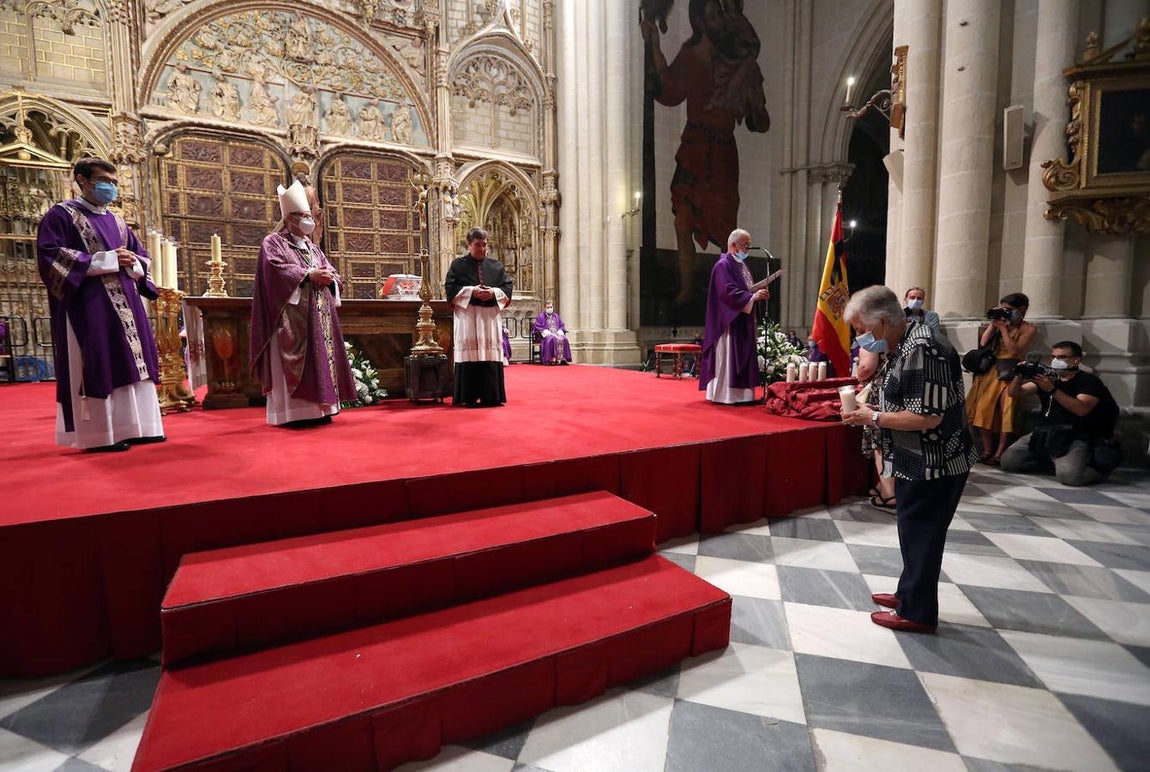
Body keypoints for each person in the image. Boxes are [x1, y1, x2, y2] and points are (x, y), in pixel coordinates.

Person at [841, 286, 978, 633]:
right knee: (912, 531)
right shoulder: (904, 342)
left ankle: (916, 613)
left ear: (883, 322)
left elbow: (926, 417)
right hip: (915, 458)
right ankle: (907, 593)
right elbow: (907, 402)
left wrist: (871, 419)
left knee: (922, 536)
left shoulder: (923, 348)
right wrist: (876, 409)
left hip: (934, 461)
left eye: (860, 330)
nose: (859, 339)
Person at [641, 0, 769, 305]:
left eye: (720, 14)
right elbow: (669, 91)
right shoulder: (692, 53)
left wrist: (751, 94)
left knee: (726, 226)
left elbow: (760, 121)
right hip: (694, 145)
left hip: (722, 152)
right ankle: (686, 289)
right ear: (698, 19)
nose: (718, 21)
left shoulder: (739, 60)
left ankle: (733, 291)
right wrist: (655, 45)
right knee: (681, 220)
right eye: (711, 15)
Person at [35, 157, 165, 452]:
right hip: (89, 306)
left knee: (135, 361)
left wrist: (136, 262)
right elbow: (50, 257)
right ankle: (100, 435)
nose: (111, 188)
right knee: (100, 361)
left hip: (127, 305)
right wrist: (106, 260)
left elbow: (139, 254)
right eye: (104, 181)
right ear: (82, 180)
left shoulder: (118, 220)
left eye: (115, 182)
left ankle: (141, 427)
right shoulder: (61, 216)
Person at [250, 179, 356, 427]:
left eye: (310, 215)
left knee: (320, 360)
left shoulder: (312, 246)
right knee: (296, 363)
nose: (309, 220)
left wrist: (330, 279)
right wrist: (308, 276)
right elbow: (274, 271)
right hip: (290, 319)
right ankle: (292, 414)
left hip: (318, 317)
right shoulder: (273, 242)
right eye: (302, 216)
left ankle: (321, 410)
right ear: (289, 218)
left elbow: (330, 271)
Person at [1000, 341, 1120, 485]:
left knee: (1070, 477)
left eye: (1062, 357)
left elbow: (1081, 409)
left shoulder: (1088, 381)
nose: (1056, 361)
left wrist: (1052, 389)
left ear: (1076, 360)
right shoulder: (1050, 378)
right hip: (1045, 432)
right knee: (1009, 461)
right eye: (1053, 357)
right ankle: (1054, 464)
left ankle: (1096, 471)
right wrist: (1019, 375)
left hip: (1075, 435)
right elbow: (1014, 393)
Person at [444, 227, 513, 407]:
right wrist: (471, 291)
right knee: (471, 354)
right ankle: (468, 396)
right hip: (468, 316)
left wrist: (494, 292)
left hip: (489, 317)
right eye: (477, 245)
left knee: (489, 352)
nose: (482, 249)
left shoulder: (496, 265)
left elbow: (507, 287)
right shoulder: (458, 265)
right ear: (468, 245)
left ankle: (491, 395)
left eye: (484, 245)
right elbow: (450, 289)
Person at [699, 228, 769, 404]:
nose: (748, 249)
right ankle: (726, 396)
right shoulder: (723, 265)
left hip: (742, 319)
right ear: (733, 245)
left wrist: (757, 294)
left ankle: (744, 396)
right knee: (729, 358)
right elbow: (726, 292)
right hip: (729, 323)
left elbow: (745, 289)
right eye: (746, 245)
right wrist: (752, 296)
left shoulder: (741, 265)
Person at [966, 292, 1036, 464]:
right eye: (1003, 309)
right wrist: (994, 324)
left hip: (1010, 371)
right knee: (983, 409)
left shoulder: (1029, 328)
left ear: (1022, 310)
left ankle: (1000, 451)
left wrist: (1005, 329)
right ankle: (987, 448)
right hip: (991, 370)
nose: (1006, 312)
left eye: (1009, 310)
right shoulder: (999, 325)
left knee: (1008, 410)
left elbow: (1014, 350)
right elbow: (983, 342)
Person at [532, 300, 571, 365]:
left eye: (551, 307)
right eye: (548, 307)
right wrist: (544, 330)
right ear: (545, 308)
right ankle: (551, 359)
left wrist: (560, 330)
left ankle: (562, 359)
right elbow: (537, 327)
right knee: (551, 339)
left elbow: (561, 325)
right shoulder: (541, 316)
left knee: (564, 339)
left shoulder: (556, 316)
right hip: (545, 335)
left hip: (556, 333)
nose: (550, 309)